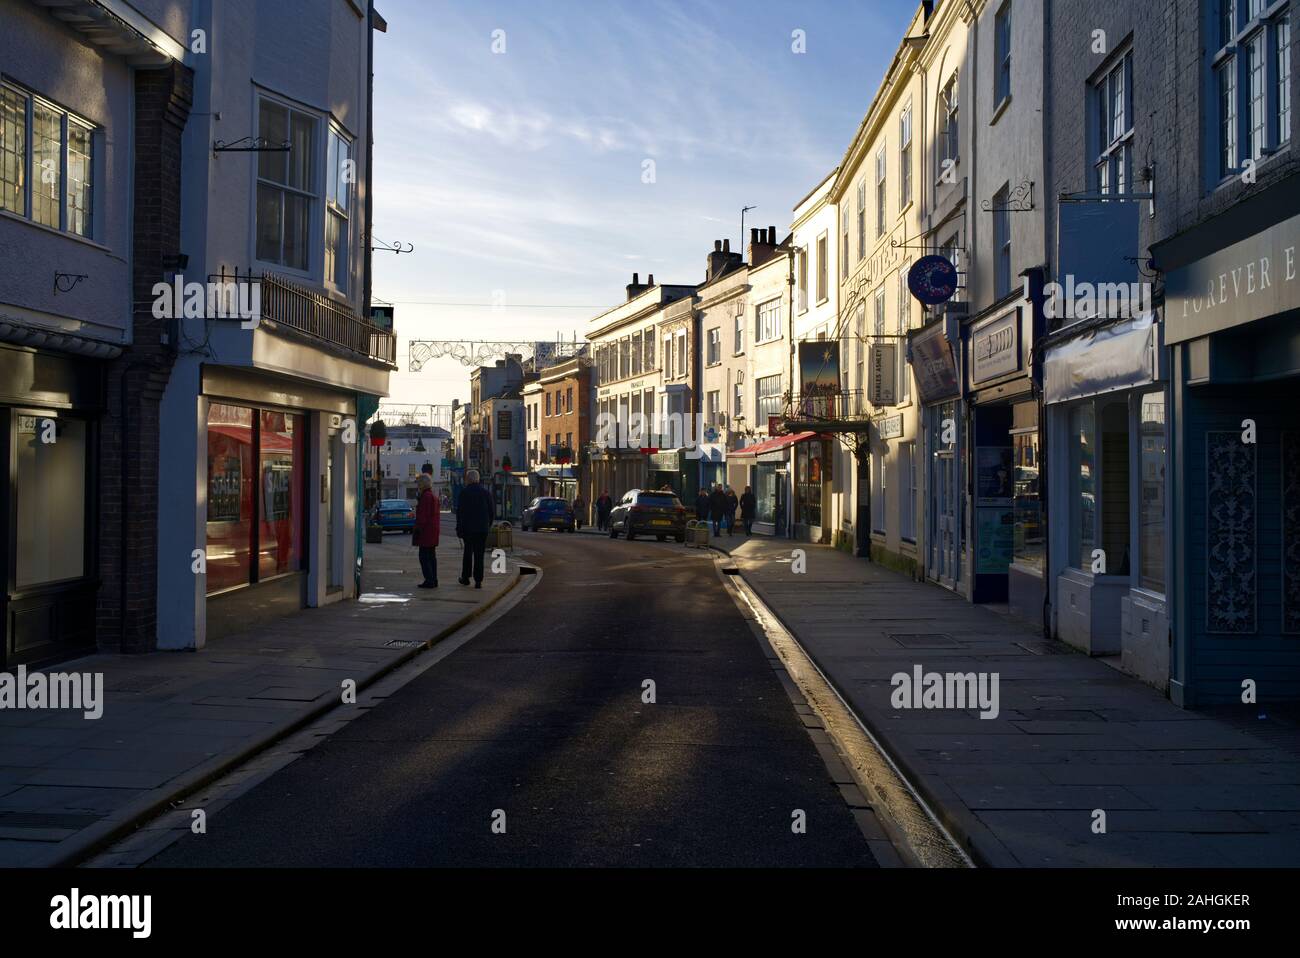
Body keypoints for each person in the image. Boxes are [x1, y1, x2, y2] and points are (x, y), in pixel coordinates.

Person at [456, 469, 494, 589]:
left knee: (468, 553)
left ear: (468, 479)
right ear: (478, 479)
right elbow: (491, 512)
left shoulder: (464, 493)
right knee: (479, 555)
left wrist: (459, 528)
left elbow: (460, 513)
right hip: (482, 529)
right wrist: (488, 525)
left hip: (468, 529)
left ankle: (466, 578)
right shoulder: (485, 493)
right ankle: (478, 581)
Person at [413, 473, 440, 588]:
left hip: (426, 532)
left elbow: (423, 516)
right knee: (431, 556)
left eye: (419, 483)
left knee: (424, 557)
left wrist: (418, 529)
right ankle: (433, 579)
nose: (418, 485)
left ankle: (429, 580)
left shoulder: (425, 497)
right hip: (433, 531)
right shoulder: (433, 496)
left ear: (422, 484)